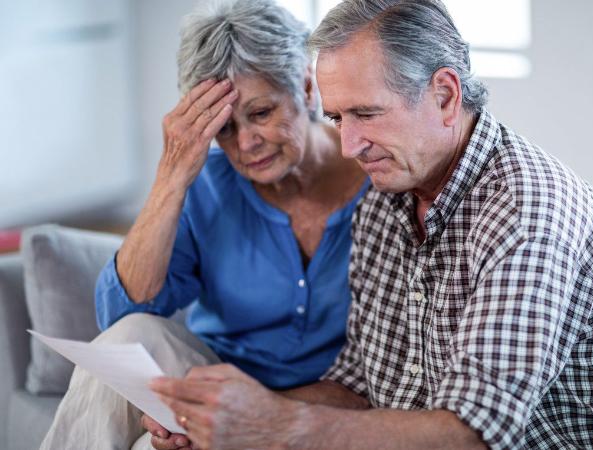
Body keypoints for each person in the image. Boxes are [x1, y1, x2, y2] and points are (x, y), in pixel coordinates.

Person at [150, 0, 593, 449]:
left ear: (446, 96)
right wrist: (225, 421)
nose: (349, 146)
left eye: (367, 114)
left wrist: (277, 427)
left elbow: (470, 434)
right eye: (339, 118)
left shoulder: (525, 213)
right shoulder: (389, 194)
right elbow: (358, 383)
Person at [39, 0, 368, 449]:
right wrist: (172, 176)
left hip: (322, 411)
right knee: (129, 336)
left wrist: (256, 419)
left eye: (261, 113)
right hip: (213, 386)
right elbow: (121, 318)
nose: (247, 142)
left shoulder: (380, 179)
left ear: (307, 88)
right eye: (224, 128)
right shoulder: (206, 184)